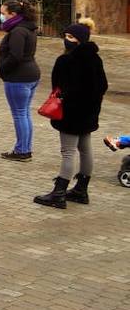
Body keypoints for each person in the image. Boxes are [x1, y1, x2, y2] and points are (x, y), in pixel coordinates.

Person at [34, 23, 107, 209]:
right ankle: (81, 190)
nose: (67, 40)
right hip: (89, 112)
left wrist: (69, 97)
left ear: (80, 39)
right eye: (66, 35)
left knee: (68, 151)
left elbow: (58, 86)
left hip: (70, 113)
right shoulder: (95, 59)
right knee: (85, 149)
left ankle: (59, 193)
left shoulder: (65, 60)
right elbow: (103, 86)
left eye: (71, 37)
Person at [0, 0, 40, 162]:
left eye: (3, 13)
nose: (1, 16)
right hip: (29, 74)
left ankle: (22, 150)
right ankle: (25, 148)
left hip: (18, 77)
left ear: (13, 14)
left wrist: (2, 69)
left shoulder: (18, 32)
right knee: (24, 113)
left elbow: (15, 56)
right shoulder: (28, 28)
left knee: (20, 113)